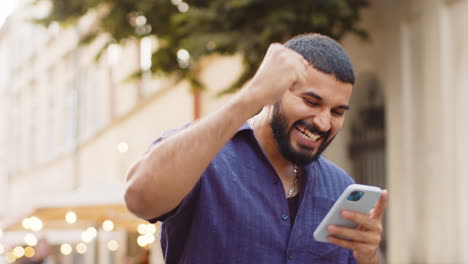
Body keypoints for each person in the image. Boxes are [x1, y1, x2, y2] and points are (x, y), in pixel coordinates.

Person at [124, 33, 388, 264]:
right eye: (311, 101)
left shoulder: (340, 187)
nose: (323, 122)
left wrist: (369, 257)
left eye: (337, 111)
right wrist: (251, 97)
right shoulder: (203, 155)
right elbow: (139, 198)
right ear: (274, 92)